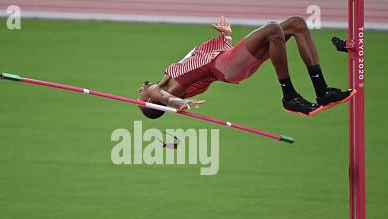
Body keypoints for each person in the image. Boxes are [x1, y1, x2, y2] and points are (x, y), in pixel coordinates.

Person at [137, 16, 355, 119]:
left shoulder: (171, 74)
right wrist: (177, 102)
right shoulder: (168, 89)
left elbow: (209, 56)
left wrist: (227, 34)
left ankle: (322, 90)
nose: (140, 92)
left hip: (228, 61)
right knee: (272, 30)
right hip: (225, 67)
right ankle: (289, 96)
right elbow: (162, 96)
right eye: (141, 99)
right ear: (152, 101)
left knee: (295, 24)